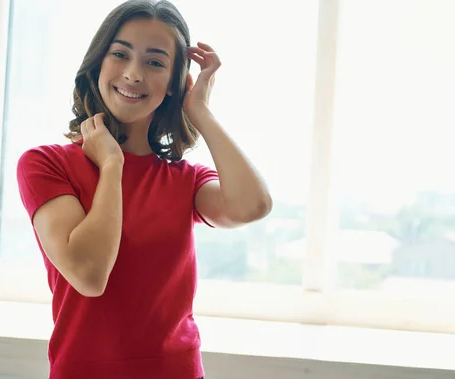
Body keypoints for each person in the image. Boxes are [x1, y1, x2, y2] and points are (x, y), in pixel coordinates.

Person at [16, 0, 272, 378]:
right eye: (120, 54)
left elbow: (253, 205)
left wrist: (199, 110)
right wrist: (112, 165)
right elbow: (89, 274)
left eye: (155, 62)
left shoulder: (185, 181)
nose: (133, 74)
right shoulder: (46, 164)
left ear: (173, 84)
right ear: (99, 64)